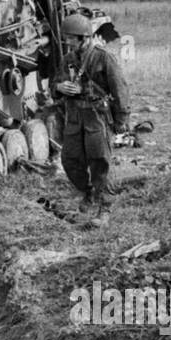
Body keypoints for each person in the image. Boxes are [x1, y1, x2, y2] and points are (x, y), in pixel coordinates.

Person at [53, 13, 130, 226]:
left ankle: (104, 208)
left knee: (100, 161)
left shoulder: (103, 57)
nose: (67, 42)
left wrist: (121, 119)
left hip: (97, 117)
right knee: (69, 160)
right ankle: (88, 193)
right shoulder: (67, 60)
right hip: (75, 117)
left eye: (71, 38)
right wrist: (60, 88)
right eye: (66, 38)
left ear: (84, 37)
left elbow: (120, 88)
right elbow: (55, 85)